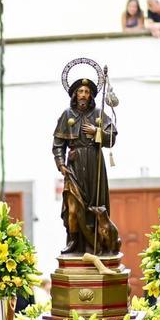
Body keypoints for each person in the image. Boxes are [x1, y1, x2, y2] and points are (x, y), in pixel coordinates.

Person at [53, 75, 119, 256]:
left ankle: (97, 242)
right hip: (74, 165)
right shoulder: (67, 115)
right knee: (73, 206)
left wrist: (97, 131)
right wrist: (61, 164)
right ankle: (74, 241)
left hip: (94, 164)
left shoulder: (98, 114)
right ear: (75, 94)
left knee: (95, 206)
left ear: (91, 96)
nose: (83, 95)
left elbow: (112, 137)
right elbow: (58, 144)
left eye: (87, 92)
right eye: (80, 91)